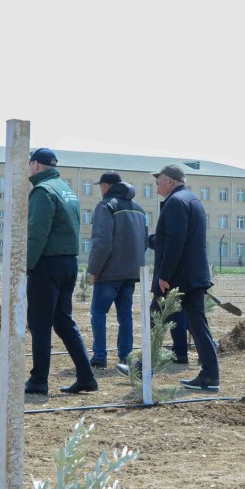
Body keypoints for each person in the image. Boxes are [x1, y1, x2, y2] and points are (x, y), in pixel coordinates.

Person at [25, 148, 97, 395]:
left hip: (47, 264)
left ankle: (38, 380)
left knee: (40, 323)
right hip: (69, 263)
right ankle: (86, 376)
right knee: (63, 321)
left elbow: (37, 232)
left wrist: (27, 264)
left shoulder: (42, 191)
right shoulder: (66, 190)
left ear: (35, 165)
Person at [148, 164, 219, 391]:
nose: (156, 185)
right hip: (193, 275)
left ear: (170, 181)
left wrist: (164, 274)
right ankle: (210, 376)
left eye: (159, 180)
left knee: (155, 315)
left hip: (178, 277)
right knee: (198, 325)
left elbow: (175, 240)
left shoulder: (176, 202)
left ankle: (141, 365)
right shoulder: (192, 200)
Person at [86, 171, 148, 369]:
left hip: (109, 272)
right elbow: (144, 242)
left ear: (107, 186)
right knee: (125, 315)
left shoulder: (105, 206)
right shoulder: (139, 209)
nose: (100, 189)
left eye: (101, 186)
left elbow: (102, 243)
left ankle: (100, 356)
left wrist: (94, 270)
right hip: (131, 272)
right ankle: (125, 356)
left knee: (98, 312)